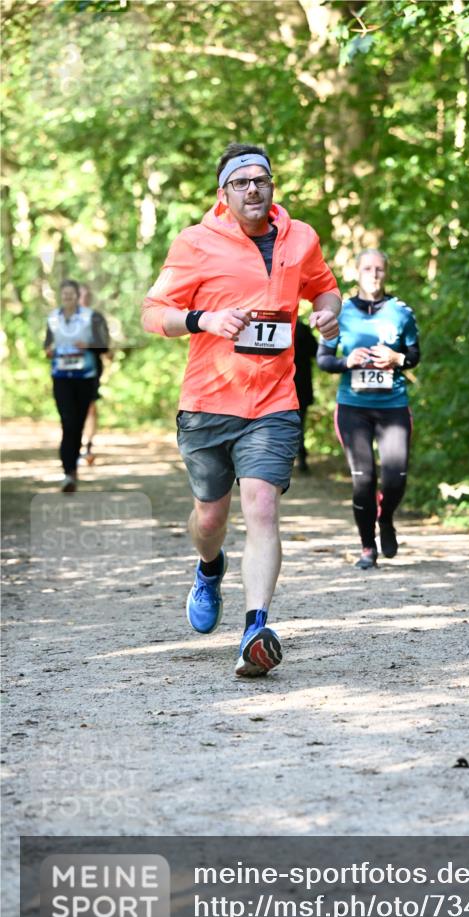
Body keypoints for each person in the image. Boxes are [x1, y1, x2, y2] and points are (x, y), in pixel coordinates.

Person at [141, 143, 340, 676]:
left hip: (274, 402)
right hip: (208, 403)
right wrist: (203, 319)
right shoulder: (195, 243)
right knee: (211, 518)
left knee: (263, 508)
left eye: (262, 180)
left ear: (273, 186)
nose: (253, 189)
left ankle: (256, 629)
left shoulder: (301, 238)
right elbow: (153, 313)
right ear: (223, 193)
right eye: (241, 182)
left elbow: (325, 289)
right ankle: (209, 567)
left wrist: (328, 315)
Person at [317, 250, 420, 568]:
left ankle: (385, 518)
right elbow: (324, 359)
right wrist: (347, 361)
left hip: (393, 407)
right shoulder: (341, 313)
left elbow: (414, 355)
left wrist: (397, 358)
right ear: (356, 272)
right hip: (353, 408)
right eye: (367, 269)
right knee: (363, 479)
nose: (373, 274)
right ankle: (366, 547)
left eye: (379, 269)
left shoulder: (401, 312)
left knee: (395, 478)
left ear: (386, 273)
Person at [44, 279, 109, 492]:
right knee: (68, 422)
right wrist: (49, 351)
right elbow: (47, 344)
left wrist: (88, 345)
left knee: (78, 424)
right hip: (61, 377)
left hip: (85, 378)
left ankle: (72, 470)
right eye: (65, 295)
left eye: (72, 294)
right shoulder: (53, 318)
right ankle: (68, 472)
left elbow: (104, 346)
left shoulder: (92, 317)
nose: (68, 298)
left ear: (77, 296)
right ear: (60, 296)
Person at [78, 283, 110, 465]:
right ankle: (73, 445)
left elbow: (104, 346)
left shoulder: (96, 318)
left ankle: (88, 446)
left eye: (87, 295)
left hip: (91, 370)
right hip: (66, 372)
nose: (84, 299)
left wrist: (87, 345)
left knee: (90, 407)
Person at [293, 318, 318, 472]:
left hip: (286, 386)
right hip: (301, 387)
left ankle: (299, 457)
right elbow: (315, 351)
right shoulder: (303, 329)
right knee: (299, 424)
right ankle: (301, 458)